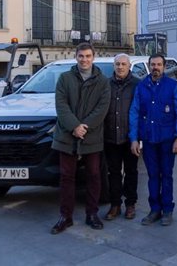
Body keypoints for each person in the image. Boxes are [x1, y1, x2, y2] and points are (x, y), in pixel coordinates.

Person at [50, 42, 111, 235]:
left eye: (88, 56)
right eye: (81, 56)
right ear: (76, 57)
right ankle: (65, 216)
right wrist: (74, 126)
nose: (84, 60)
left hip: (92, 137)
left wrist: (84, 127)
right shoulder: (64, 78)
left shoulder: (103, 81)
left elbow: (102, 109)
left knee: (94, 175)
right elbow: (61, 106)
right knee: (67, 177)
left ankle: (92, 214)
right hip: (67, 136)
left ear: (93, 57)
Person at [129, 53, 177, 227]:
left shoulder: (172, 86)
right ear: (149, 65)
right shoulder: (141, 87)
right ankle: (155, 210)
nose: (156, 67)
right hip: (149, 138)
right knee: (153, 175)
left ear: (164, 66)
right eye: (153, 64)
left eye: (159, 64)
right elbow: (134, 113)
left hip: (168, 139)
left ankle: (167, 209)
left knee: (166, 175)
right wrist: (134, 139)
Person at [103, 53, 140, 221]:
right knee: (113, 173)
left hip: (130, 137)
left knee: (131, 172)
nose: (120, 67)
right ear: (114, 66)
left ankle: (130, 204)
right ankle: (115, 204)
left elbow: (141, 112)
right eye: (117, 64)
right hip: (110, 137)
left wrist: (137, 137)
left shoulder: (137, 84)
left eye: (123, 64)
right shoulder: (106, 84)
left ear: (129, 65)